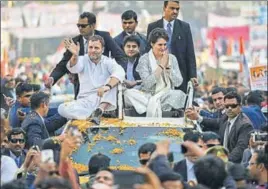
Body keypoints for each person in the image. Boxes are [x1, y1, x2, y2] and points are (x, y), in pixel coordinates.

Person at [45, 12, 126, 99]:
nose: (80, 28)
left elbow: (120, 56)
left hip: (103, 84)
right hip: (82, 87)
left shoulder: (105, 36)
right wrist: (52, 78)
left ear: (93, 25)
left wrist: (119, 75)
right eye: (78, 25)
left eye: (83, 26)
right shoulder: (74, 42)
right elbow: (63, 64)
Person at [58, 35, 125, 124]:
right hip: (85, 102)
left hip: (103, 100)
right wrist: (74, 55)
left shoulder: (108, 61)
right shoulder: (82, 59)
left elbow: (120, 72)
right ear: (87, 48)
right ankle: (93, 115)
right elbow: (73, 68)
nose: (93, 50)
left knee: (113, 79)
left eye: (96, 48)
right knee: (62, 108)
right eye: (90, 47)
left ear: (102, 49)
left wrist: (107, 87)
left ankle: (99, 111)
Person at [124, 28, 186, 117]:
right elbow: (147, 84)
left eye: (165, 44)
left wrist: (169, 71)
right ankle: (156, 107)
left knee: (179, 95)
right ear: (152, 44)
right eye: (160, 45)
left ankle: (151, 107)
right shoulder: (144, 59)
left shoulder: (172, 58)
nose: (163, 48)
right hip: (147, 95)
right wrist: (161, 67)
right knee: (128, 94)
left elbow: (178, 82)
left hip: (166, 95)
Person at [185, 91, 253, 163]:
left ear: (240, 106)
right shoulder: (226, 117)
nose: (229, 108)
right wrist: (198, 118)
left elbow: (240, 149)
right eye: (227, 106)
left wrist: (224, 161)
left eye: (233, 106)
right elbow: (214, 122)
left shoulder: (245, 125)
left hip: (233, 164)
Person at [146, 1, 197, 93]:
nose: (175, 11)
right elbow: (148, 50)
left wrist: (193, 75)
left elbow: (190, 53)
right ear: (164, 8)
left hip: (180, 73)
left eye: (177, 9)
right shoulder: (153, 26)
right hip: (158, 73)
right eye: (172, 8)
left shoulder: (184, 27)